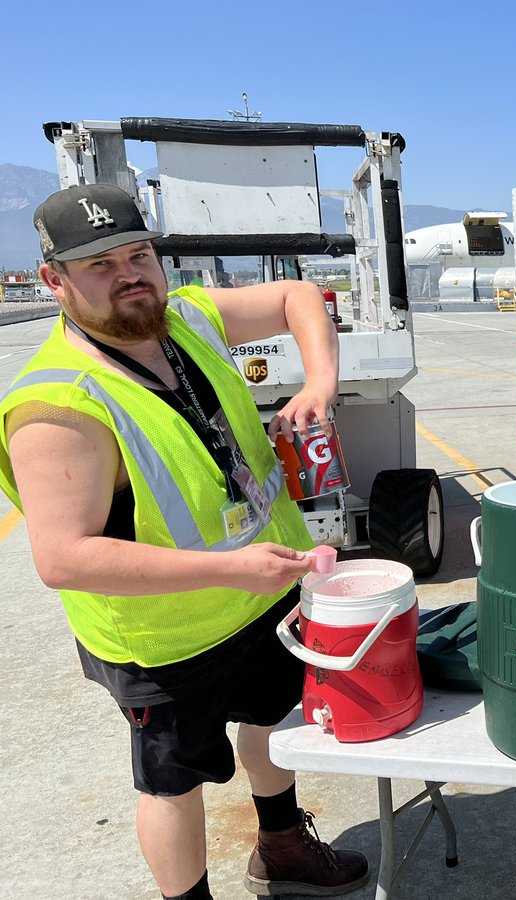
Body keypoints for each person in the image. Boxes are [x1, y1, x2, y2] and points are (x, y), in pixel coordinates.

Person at [0, 183, 366, 899]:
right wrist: (227, 569)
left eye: (138, 254)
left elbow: (297, 295)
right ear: (55, 281)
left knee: (270, 721)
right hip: (164, 638)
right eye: (99, 265)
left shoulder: (187, 320)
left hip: (262, 594)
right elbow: (63, 557)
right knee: (174, 784)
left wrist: (320, 381)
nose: (129, 274)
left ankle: (283, 846)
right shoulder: (59, 402)